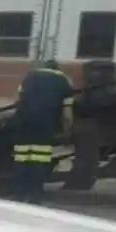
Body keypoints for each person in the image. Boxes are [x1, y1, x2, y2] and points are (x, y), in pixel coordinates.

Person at [9, 58, 73, 203]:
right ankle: (35, 195)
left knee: (22, 157)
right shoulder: (64, 81)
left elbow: (17, 100)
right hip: (44, 124)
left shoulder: (29, 77)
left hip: (23, 123)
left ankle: (20, 193)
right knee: (39, 159)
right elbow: (67, 112)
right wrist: (67, 130)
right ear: (58, 69)